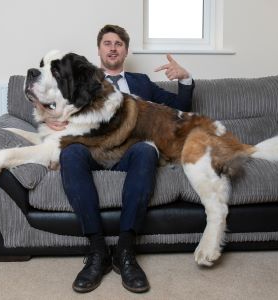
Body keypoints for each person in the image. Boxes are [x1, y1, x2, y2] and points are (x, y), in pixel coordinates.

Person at [55, 24, 194, 293]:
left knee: (146, 149)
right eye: (107, 43)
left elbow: (180, 109)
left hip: (129, 151)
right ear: (99, 50)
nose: (112, 48)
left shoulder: (141, 82)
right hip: (93, 148)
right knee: (70, 152)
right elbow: (60, 109)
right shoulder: (84, 81)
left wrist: (185, 78)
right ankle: (97, 251)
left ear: (126, 51)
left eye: (118, 43)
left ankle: (125, 251)